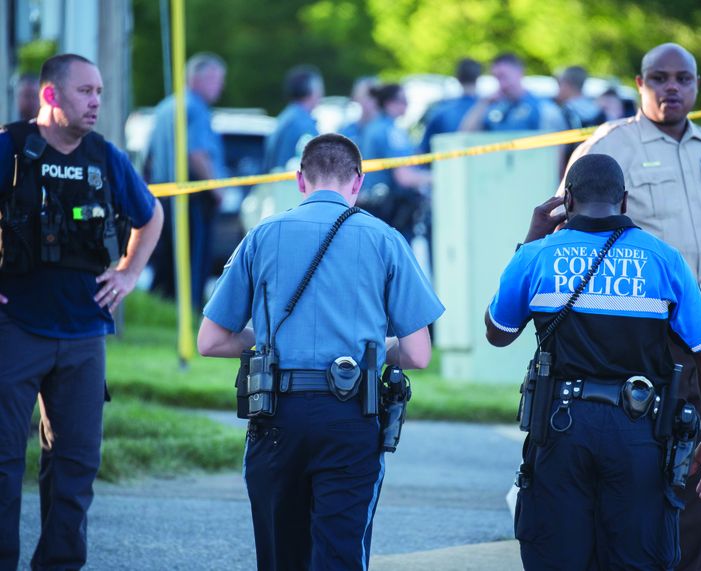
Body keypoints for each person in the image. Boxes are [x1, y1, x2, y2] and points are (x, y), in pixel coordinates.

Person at [197, 133, 444, 570]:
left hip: (276, 414)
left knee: (280, 553)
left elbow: (211, 341)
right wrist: (370, 345)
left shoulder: (261, 235)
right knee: (340, 555)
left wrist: (269, 335)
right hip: (351, 416)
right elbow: (418, 353)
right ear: (357, 182)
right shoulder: (385, 240)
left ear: (299, 180)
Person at [561, 43, 701, 571]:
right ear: (639, 83)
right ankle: (632, 555)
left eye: (682, 78)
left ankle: (686, 558)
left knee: (700, 443)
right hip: (635, 331)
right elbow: (570, 231)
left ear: (696, 84)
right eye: (659, 78)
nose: (671, 87)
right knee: (642, 451)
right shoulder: (610, 146)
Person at [486, 154, 701, 570]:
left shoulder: (537, 255)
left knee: (557, 553)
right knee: (637, 555)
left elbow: (498, 333)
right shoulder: (664, 259)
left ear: (567, 199)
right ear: (625, 200)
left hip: (560, 428)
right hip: (640, 433)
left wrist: (529, 239)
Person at [0, 53, 163, 570]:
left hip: (84, 334)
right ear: (51, 95)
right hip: (16, 327)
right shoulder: (11, 147)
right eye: (85, 91)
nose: (96, 101)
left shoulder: (106, 156)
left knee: (75, 464)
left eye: (99, 91)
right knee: (3, 463)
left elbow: (151, 214)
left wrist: (129, 273)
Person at [147, 52, 227, 308]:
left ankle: (163, 309)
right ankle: (188, 313)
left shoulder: (164, 107)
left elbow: (148, 159)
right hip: (191, 195)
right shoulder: (196, 108)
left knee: (167, 262)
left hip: (164, 196)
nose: (220, 86)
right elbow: (196, 154)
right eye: (215, 79)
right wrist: (216, 189)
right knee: (192, 263)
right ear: (196, 78)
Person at [360, 83, 431, 241]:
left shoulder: (371, 127)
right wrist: (436, 177)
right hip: (391, 211)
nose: (407, 105)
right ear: (390, 103)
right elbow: (404, 177)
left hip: (372, 209)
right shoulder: (391, 131)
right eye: (403, 100)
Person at [460, 53, 561, 132]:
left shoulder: (542, 107)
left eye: (503, 76)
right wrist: (484, 103)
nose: (501, 84)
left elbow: (556, 148)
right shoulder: (494, 107)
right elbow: (466, 134)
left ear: (519, 72)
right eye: (496, 78)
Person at [263, 65, 324, 173]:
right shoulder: (302, 123)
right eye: (319, 88)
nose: (322, 94)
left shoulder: (287, 116)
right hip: (290, 187)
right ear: (310, 90)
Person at [417, 58, 482, 153]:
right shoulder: (492, 109)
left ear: (457, 78)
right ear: (478, 77)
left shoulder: (441, 111)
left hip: (448, 164)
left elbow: (424, 149)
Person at [339, 76, 379, 150]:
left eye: (373, 95)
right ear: (355, 97)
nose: (370, 100)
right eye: (365, 95)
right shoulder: (347, 132)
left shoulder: (387, 131)